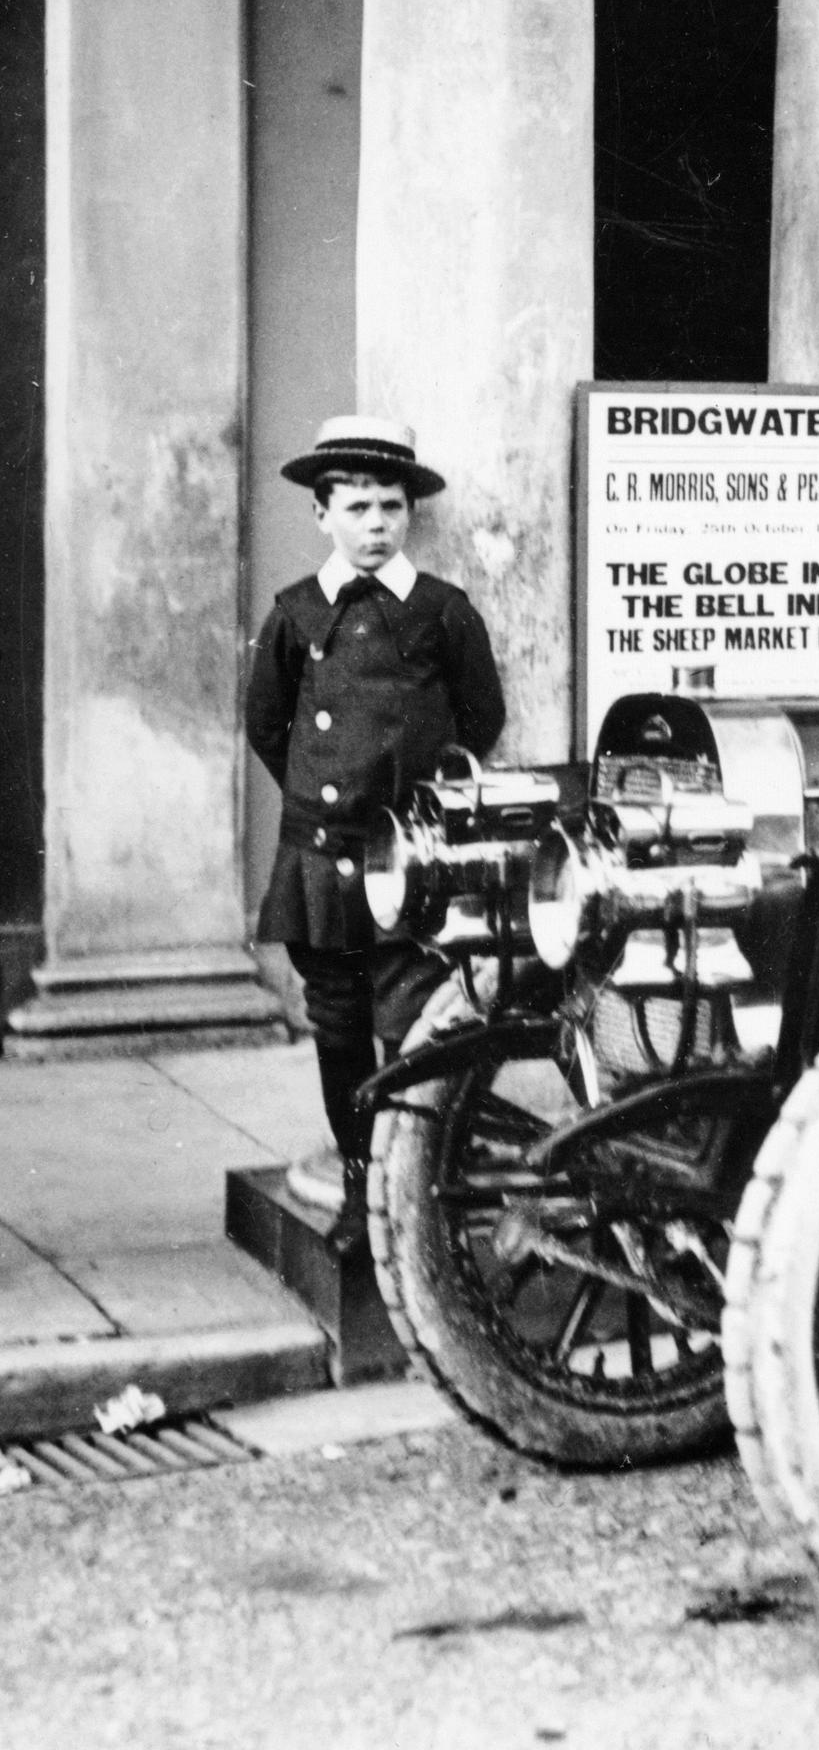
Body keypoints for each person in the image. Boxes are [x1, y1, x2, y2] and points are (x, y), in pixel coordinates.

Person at [245, 417, 504, 1238]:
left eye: (390, 507)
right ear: (322, 515)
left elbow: (481, 716)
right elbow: (268, 725)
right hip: (321, 859)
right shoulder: (295, 614)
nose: (376, 524)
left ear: (409, 516)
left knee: (416, 1022)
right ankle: (359, 1182)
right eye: (356, 508)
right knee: (340, 1024)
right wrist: (327, 797)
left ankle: (421, 1179)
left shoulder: (440, 612)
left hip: (411, 862)